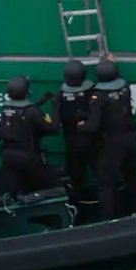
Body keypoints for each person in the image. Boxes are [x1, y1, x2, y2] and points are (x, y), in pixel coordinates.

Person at [86, 60, 136, 220]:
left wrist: (80, 125)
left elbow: (92, 126)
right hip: (130, 140)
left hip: (112, 145)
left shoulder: (99, 96)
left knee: (106, 184)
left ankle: (108, 220)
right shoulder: (125, 87)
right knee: (132, 176)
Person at [0, 75, 59, 197]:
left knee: (16, 188)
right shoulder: (32, 111)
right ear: (27, 91)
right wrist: (55, 108)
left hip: (7, 156)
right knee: (48, 185)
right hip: (28, 158)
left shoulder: (6, 109)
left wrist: (38, 103)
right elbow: (53, 129)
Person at [55, 60, 95, 200]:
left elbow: (56, 121)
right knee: (102, 177)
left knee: (75, 179)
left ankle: (76, 208)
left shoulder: (60, 95)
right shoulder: (92, 91)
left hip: (72, 144)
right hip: (92, 142)